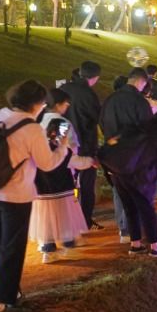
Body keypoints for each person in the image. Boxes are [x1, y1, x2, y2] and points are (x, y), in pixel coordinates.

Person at [0, 80, 69, 312]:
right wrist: (61, 147)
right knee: (12, 248)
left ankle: (11, 294)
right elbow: (47, 163)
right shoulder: (31, 128)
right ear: (37, 104)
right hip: (16, 196)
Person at [102, 108, 157, 258]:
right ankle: (155, 247)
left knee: (130, 209)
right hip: (139, 178)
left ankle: (135, 244)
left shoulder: (139, 127)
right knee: (147, 210)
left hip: (119, 174)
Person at [30, 89, 93, 264]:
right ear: (58, 104)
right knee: (64, 211)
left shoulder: (38, 123)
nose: (67, 107)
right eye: (66, 103)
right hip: (60, 176)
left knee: (45, 213)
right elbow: (65, 152)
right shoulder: (61, 124)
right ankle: (68, 245)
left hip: (40, 177)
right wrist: (88, 161)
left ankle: (47, 249)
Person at [99, 68, 153, 242]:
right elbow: (147, 129)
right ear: (141, 82)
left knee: (118, 191)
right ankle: (133, 230)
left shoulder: (110, 99)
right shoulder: (140, 101)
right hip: (134, 154)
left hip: (112, 153)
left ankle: (123, 230)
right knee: (136, 192)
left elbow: (101, 123)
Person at [59, 61, 101, 229]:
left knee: (66, 181)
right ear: (95, 78)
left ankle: (66, 218)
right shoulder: (89, 94)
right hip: (85, 143)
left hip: (63, 143)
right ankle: (84, 219)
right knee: (87, 183)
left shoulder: (64, 89)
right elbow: (96, 119)